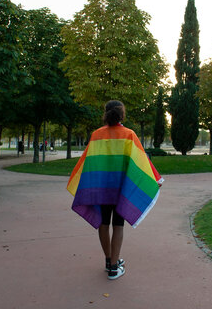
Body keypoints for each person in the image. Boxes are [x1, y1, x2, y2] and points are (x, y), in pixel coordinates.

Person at [67, 100, 163, 280]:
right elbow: (141, 161)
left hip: (101, 188)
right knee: (118, 225)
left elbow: (87, 162)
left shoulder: (96, 135)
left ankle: (109, 260)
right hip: (120, 189)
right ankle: (114, 267)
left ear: (106, 113)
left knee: (103, 224)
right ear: (122, 114)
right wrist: (156, 178)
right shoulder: (129, 135)